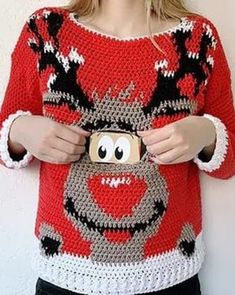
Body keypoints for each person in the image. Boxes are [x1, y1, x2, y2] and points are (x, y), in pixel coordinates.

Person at [0, 0, 235, 294]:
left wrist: (207, 134)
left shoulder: (198, 39)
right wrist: (21, 130)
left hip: (170, 274)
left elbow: (229, 161)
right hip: (65, 274)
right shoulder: (45, 31)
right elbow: (5, 139)